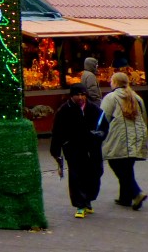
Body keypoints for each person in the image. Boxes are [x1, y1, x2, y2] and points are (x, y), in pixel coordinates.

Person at [50, 83, 106, 219]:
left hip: (92, 148)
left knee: (95, 173)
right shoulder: (64, 110)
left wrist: (100, 135)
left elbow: (104, 126)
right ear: (72, 96)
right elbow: (57, 131)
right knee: (76, 176)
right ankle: (80, 204)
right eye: (77, 95)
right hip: (74, 147)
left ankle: (88, 199)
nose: (80, 97)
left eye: (82, 94)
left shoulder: (93, 109)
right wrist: (56, 151)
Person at [101, 72, 148, 210]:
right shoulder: (137, 97)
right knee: (127, 167)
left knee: (116, 164)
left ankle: (136, 192)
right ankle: (125, 198)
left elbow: (103, 117)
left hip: (118, 137)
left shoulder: (111, 97)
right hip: (136, 137)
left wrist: (99, 134)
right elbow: (144, 117)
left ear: (115, 83)